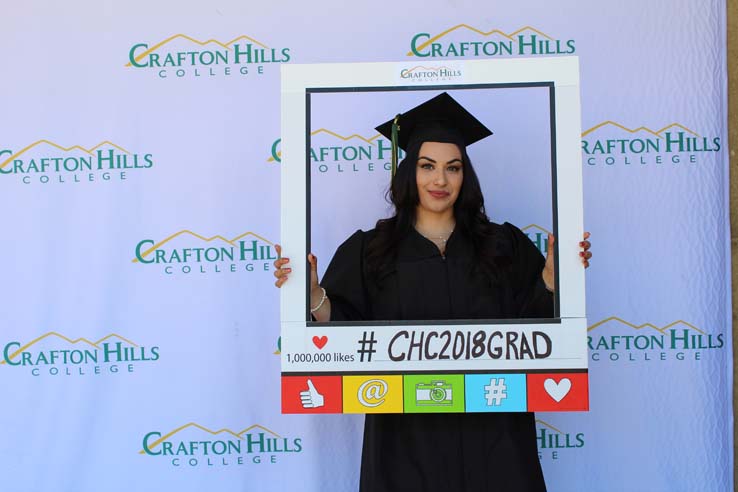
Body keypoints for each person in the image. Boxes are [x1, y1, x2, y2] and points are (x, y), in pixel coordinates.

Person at [274, 92, 592, 492]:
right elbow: (343, 335)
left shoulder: (503, 245)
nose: (440, 180)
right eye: (428, 166)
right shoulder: (370, 251)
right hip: (404, 441)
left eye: (453, 168)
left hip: (496, 435)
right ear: (410, 172)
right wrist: (312, 295)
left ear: (465, 176)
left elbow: (539, 328)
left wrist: (552, 279)